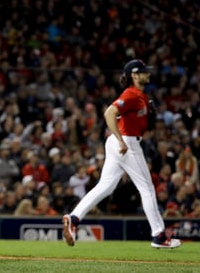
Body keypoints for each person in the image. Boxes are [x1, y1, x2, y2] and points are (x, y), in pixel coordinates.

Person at [62, 59, 181, 249]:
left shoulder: (140, 96)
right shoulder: (132, 93)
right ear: (134, 75)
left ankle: (74, 218)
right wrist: (120, 140)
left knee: (106, 186)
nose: (147, 74)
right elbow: (110, 113)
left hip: (121, 142)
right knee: (147, 189)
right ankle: (159, 235)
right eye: (143, 72)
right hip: (126, 142)